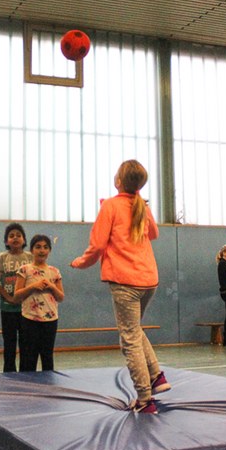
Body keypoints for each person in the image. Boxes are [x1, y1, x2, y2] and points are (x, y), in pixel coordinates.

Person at [71, 160, 170, 414]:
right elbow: (154, 234)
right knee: (134, 329)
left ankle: (145, 399)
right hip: (148, 279)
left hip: (126, 281)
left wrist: (81, 262)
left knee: (129, 339)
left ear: (118, 181)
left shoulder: (112, 206)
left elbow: (97, 245)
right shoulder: (141, 205)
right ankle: (157, 376)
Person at [14, 234, 65, 371]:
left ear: (49, 250)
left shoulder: (54, 272)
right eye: (38, 247)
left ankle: (48, 383)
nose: (42, 250)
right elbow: (17, 295)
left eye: (45, 247)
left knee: (47, 357)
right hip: (29, 320)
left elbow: (61, 297)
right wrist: (33, 287)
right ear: (32, 250)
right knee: (28, 359)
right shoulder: (24, 270)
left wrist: (52, 287)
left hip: (50, 321)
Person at [0, 223, 33, 372]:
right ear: (6, 240)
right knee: (9, 343)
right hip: (8, 308)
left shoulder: (30, 257)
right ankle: (9, 373)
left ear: (24, 240)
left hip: (27, 309)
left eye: (18, 235)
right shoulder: (2, 258)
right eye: (11, 236)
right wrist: (8, 297)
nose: (15, 238)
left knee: (26, 343)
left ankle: (26, 373)